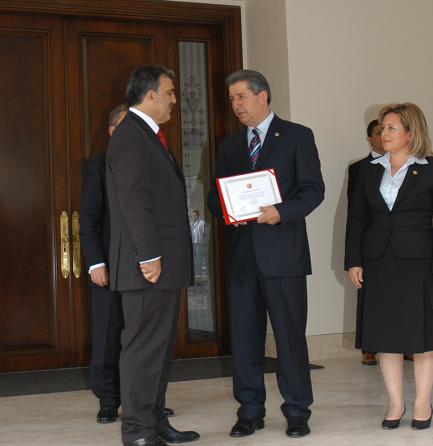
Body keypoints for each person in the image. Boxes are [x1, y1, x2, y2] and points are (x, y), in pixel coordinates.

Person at [208, 69, 324, 438]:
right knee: (244, 340)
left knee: (290, 338)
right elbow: (214, 197)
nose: (235, 105)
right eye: (231, 99)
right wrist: (227, 210)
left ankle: (297, 411)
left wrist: (281, 212)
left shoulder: (297, 136)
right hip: (242, 259)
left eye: (241, 96)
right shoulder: (229, 146)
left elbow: (313, 190)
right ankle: (249, 411)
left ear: (263, 96)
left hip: (284, 256)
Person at [106, 65, 199, 446]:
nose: (175, 100)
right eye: (170, 92)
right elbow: (133, 200)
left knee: (158, 349)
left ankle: (155, 420)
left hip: (161, 263)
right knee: (143, 350)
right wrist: (148, 256)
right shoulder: (131, 135)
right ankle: (138, 432)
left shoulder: (148, 135)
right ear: (150, 95)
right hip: (146, 265)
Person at [80, 104, 174, 424]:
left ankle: (148, 401)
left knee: (145, 337)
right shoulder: (97, 167)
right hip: (109, 266)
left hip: (147, 266)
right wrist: (96, 263)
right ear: (111, 132)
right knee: (108, 335)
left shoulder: (154, 162)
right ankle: (109, 399)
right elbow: (89, 219)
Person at [345, 103, 433, 430]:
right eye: (383, 128)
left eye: (392, 127)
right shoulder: (366, 170)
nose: (384, 133)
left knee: (423, 337)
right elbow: (356, 219)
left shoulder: (429, 168)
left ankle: (423, 402)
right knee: (385, 337)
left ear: (411, 132)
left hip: (420, 263)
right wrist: (353, 260)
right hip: (377, 262)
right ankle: (396, 403)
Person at [348, 119, 385, 366]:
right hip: (370, 241)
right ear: (369, 138)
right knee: (369, 297)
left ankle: (404, 345)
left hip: (400, 244)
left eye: (389, 130)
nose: (384, 136)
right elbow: (356, 212)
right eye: (379, 132)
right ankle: (369, 348)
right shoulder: (359, 168)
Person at [190, 210, 205, 275]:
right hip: (193, 243)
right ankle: (196, 271)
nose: (193, 217)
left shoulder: (202, 223)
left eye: (195, 215)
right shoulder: (191, 223)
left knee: (199, 257)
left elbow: (204, 233)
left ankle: (199, 272)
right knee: (194, 258)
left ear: (198, 216)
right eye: (193, 215)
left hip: (199, 243)